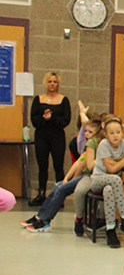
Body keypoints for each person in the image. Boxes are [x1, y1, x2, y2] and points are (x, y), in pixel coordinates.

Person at [21, 115, 101, 233]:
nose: (86, 134)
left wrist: (71, 180)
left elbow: (83, 166)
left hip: (89, 177)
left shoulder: (96, 145)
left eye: (90, 132)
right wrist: (67, 178)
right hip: (82, 176)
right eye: (86, 131)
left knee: (62, 189)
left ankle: (45, 221)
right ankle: (40, 216)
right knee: (58, 185)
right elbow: (79, 162)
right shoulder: (89, 144)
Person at [90, 116, 124, 248]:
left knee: (109, 190)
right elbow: (111, 169)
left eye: (118, 132)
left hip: (111, 185)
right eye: (111, 133)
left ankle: (110, 229)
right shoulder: (104, 144)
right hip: (98, 180)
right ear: (105, 134)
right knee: (116, 178)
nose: (115, 135)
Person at [29, 72, 71, 206]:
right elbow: (34, 119)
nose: (52, 84)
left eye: (55, 82)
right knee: (42, 166)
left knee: (58, 166)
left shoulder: (63, 100)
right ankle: (41, 194)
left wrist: (52, 118)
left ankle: (60, 196)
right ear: (46, 83)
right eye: (50, 81)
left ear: (58, 84)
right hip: (41, 135)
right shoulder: (38, 99)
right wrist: (43, 118)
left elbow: (66, 120)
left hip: (57, 136)